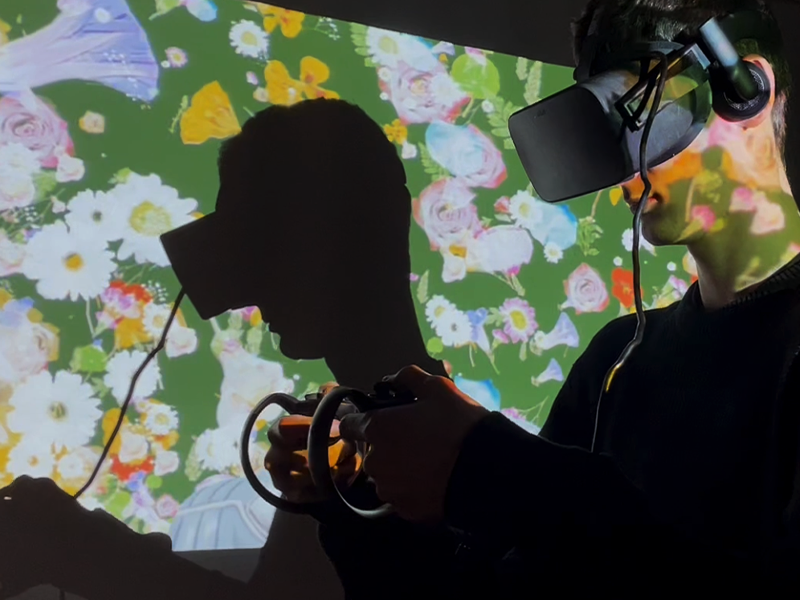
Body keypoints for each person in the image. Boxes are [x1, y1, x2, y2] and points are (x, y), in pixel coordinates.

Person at [2, 0, 799, 598]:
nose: (623, 168)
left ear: (744, 88)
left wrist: (494, 469)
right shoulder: (617, 360)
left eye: (635, 111)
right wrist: (354, 502)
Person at [0, 99, 448, 600]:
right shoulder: (353, 426)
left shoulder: (404, 441)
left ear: (338, 233)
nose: (249, 283)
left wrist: (78, 546)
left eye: (261, 237)